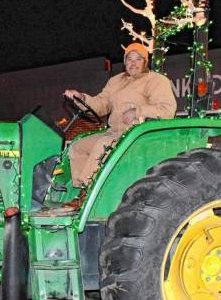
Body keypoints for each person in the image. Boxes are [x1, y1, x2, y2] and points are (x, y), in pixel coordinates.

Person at [63, 42, 177, 189]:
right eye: (129, 59)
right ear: (124, 62)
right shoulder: (115, 81)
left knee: (103, 144)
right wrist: (82, 98)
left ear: (145, 62)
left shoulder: (156, 80)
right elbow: (101, 104)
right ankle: (80, 190)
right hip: (114, 132)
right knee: (77, 146)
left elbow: (166, 109)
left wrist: (138, 111)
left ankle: (88, 192)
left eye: (138, 59)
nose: (133, 63)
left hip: (137, 135)